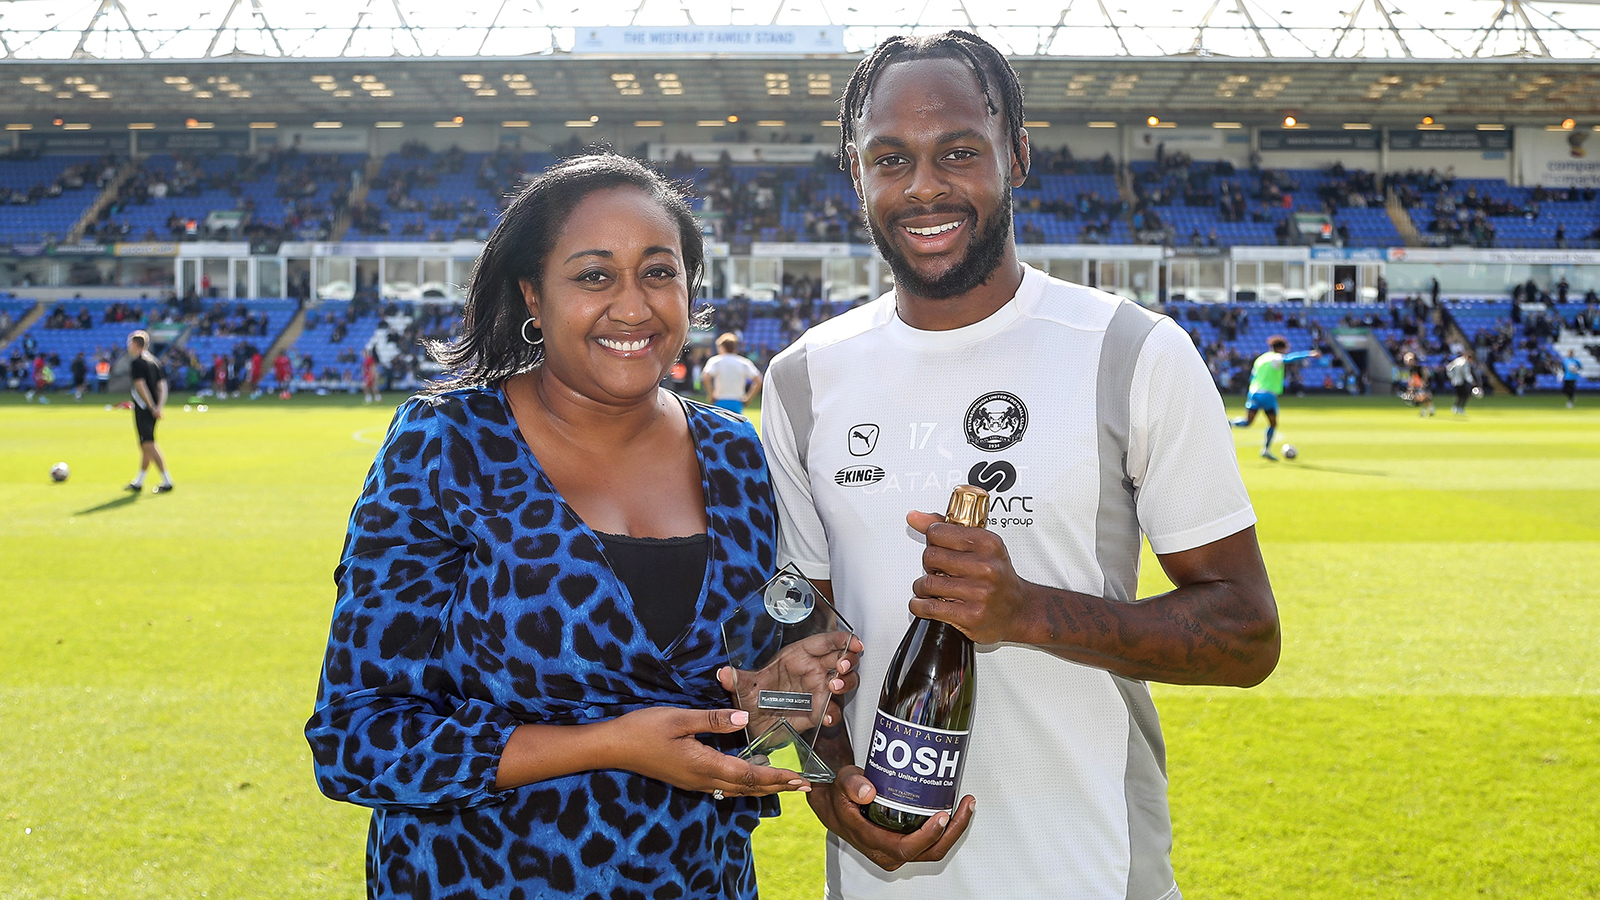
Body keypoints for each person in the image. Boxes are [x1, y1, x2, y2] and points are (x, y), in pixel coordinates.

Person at [761, 31, 1279, 900]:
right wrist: (824, 782)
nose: (924, 186)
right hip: (878, 881)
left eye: (958, 151)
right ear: (856, 174)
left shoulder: (1130, 351)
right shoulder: (805, 378)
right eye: (891, 158)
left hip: (1090, 871)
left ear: (1018, 155)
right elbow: (794, 635)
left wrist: (1029, 611)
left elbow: (1246, 636)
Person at [306, 153, 860, 900]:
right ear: (533, 293)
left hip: (698, 881)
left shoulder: (735, 456)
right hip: (474, 881)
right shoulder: (448, 444)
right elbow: (356, 739)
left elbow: (746, 718)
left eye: (658, 273)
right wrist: (607, 746)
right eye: (594, 276)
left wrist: (781, 701)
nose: (632, 307)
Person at [1231, 335, 1321, 460]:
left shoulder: (1261, 359)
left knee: (1247, 421)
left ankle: (1229, 423)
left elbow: (1252, 377)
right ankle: (1266, 450)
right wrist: (1310, 354)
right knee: (1272, 423)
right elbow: (1290, 359)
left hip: (1253, 392)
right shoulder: (1276, 358)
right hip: (1267, 394)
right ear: (1281, 348)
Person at [124, 330, 174, 494]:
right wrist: (159, 406)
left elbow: (140, 385)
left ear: (136, 344)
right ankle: (138, 482)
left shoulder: (137, 363)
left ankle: (167, 481)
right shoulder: (154, 361)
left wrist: (151, 406)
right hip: (153, 409)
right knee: (145, 444)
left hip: (145, 408)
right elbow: (162, 386)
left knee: (149, 444)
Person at [702, 332, 763, 414]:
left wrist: (711, 394)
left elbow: (706, 377)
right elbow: (758, 380)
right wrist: (748, 398)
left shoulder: (716, 361)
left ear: (722, 347)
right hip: (737, 402)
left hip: (720, 400)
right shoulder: (743, 362)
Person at [1400, 351, 1435, 416]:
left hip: (1424, 384)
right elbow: (1413, 379)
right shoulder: (1411, 369)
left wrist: (1423, 381)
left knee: (1424, 398)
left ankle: (1426, 411)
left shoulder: (1418, 367)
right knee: (1425, 398)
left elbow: (1425, 373)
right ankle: (1430, 410)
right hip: (1419, 385)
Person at [1446, 350, 1477, 415]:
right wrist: (1472, 381)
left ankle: (1456, 407)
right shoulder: (1465, 363)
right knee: (1465, 395)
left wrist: (1451, 377)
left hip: (1456, 381)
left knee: (1460, 395)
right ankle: (1459, 408)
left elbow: (1448, 368)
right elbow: (1466, 374)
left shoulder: (1458, 360)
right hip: (1461, 381)